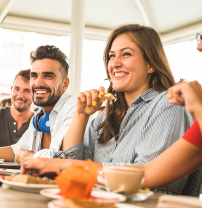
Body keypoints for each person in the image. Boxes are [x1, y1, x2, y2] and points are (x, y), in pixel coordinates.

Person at [22, 24, 193, 194]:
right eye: (112, 56)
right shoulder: (106, 115)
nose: (115, 63)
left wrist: (56, 164)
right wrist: (81, 115)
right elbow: (73, 160)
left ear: (150, 64)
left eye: (126, 54)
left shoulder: (169, 104)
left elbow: (146, 177)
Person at [0, 45, 76, 162]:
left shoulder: (73, 109)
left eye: (48, 76)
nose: (38, 83)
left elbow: (60, 158)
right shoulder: (39, 114)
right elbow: (16, 151)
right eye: (34, 76)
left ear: (65, 84)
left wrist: (28, 156)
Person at [0, 69, 34, 148]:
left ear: (34, 94)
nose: (20, 95)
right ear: (11, 90)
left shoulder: (37, 123)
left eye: (27, 91)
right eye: (17, 89)